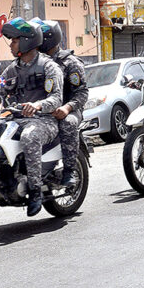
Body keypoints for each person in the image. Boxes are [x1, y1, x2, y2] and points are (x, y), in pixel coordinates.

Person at [0, 17, 64, 217]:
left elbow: (56, 98)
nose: (11, 45)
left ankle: (35, 191)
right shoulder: (12, 68)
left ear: (27, 41)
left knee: (29, 137)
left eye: (15, 40)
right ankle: (3, 181)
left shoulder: (49, 66)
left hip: (45, 120)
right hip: (18, 119)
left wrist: (38, 105)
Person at [31, 18, 88, 190]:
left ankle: (69, 170)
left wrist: (67, 107)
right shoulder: (35, 62)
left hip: (68, 108)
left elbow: (82, 92)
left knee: (68, 123)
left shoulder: (70, 62)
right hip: (43, 109)